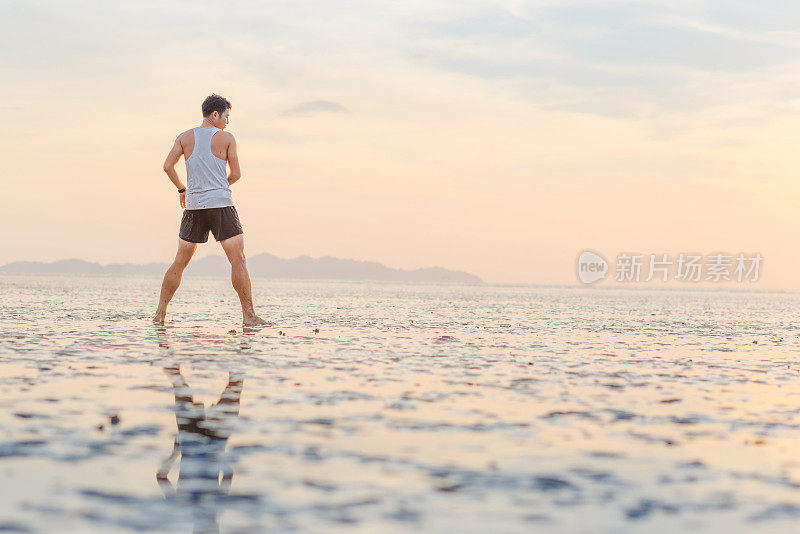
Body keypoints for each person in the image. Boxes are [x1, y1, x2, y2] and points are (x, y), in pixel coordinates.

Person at [154, 94, 269, 327]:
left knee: (179, 262)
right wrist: (218, 185)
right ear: (215, 114)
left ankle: (159, 315)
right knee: (238, 260)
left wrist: (181, 190)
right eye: (227, 116)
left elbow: (167, 166)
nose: (227, 122)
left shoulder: (184, 137)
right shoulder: (226, 138)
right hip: (221, 205)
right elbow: (236, 175)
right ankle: (248, 316)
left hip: (194, 206)